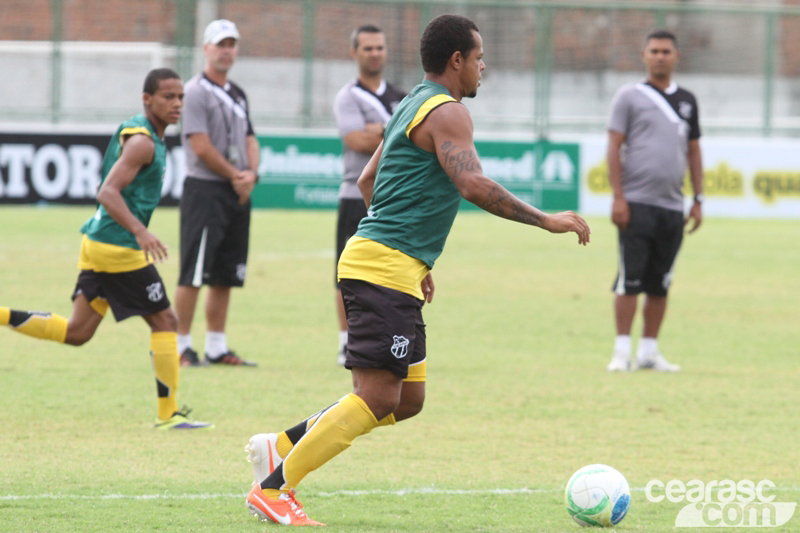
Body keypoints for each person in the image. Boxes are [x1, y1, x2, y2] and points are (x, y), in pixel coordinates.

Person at [243, 14, 590, 526]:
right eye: (478, 58)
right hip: (381, 268)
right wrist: (546, 220)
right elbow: (473, 185)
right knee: (377, 395)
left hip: (393, 265)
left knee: (406, 400)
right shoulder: (447, 111)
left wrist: (415, 255)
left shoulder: (409, 104)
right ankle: (275, 489)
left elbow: (367, 181)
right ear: (457, 60)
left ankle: (281, 445)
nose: (483, 67)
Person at [0, 69, 212, 430]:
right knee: (166, 321)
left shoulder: (142, 133)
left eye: (180, 97)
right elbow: (107, 192)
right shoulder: (144, 142)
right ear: (147, 100)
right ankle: (168, 414)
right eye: (168, 97)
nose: (177, 103)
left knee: (78, 332)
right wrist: (141, 232)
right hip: (118, 247)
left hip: (98, 241)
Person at [605, 30, 704, 373]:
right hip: (636, 203)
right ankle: (621, 352)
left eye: (666, 51)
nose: (660, 56)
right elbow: (613, 146)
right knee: (629, 281)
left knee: (661, 283)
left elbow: (694, 150)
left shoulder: (688, 100)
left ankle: (649, 352)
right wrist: (618, 197)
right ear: (644, 55)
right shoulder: (629, 96)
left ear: (677, 56)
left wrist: (698, 198)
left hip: (673, 207)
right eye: (654, 51)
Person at [174, 19, 259, 367]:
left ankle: (216, 345)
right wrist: (236, 174)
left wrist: (251, 174)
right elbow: (201, 145)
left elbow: (250, 138)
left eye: (231, 44)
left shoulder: (237, 93)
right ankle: (179, 345)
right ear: (206, 48)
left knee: (227, 273)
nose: (226, 51)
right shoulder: (195, 91)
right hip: (206, 190)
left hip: (237, 191)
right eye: (220, 44)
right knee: (194, 272)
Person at [332, 24, 406, 366]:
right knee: (348, 272)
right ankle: (346, 342)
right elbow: (357, 140)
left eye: (379, 47)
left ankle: (391, 337)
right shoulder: (348, 96)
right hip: (354, 194)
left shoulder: (402, 96)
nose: (375, 54)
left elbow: (414, 139)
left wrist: (378, 129)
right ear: (354, 53)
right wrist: (393, 130)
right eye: (368, 48)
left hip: (395, 197)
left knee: (395, 269)